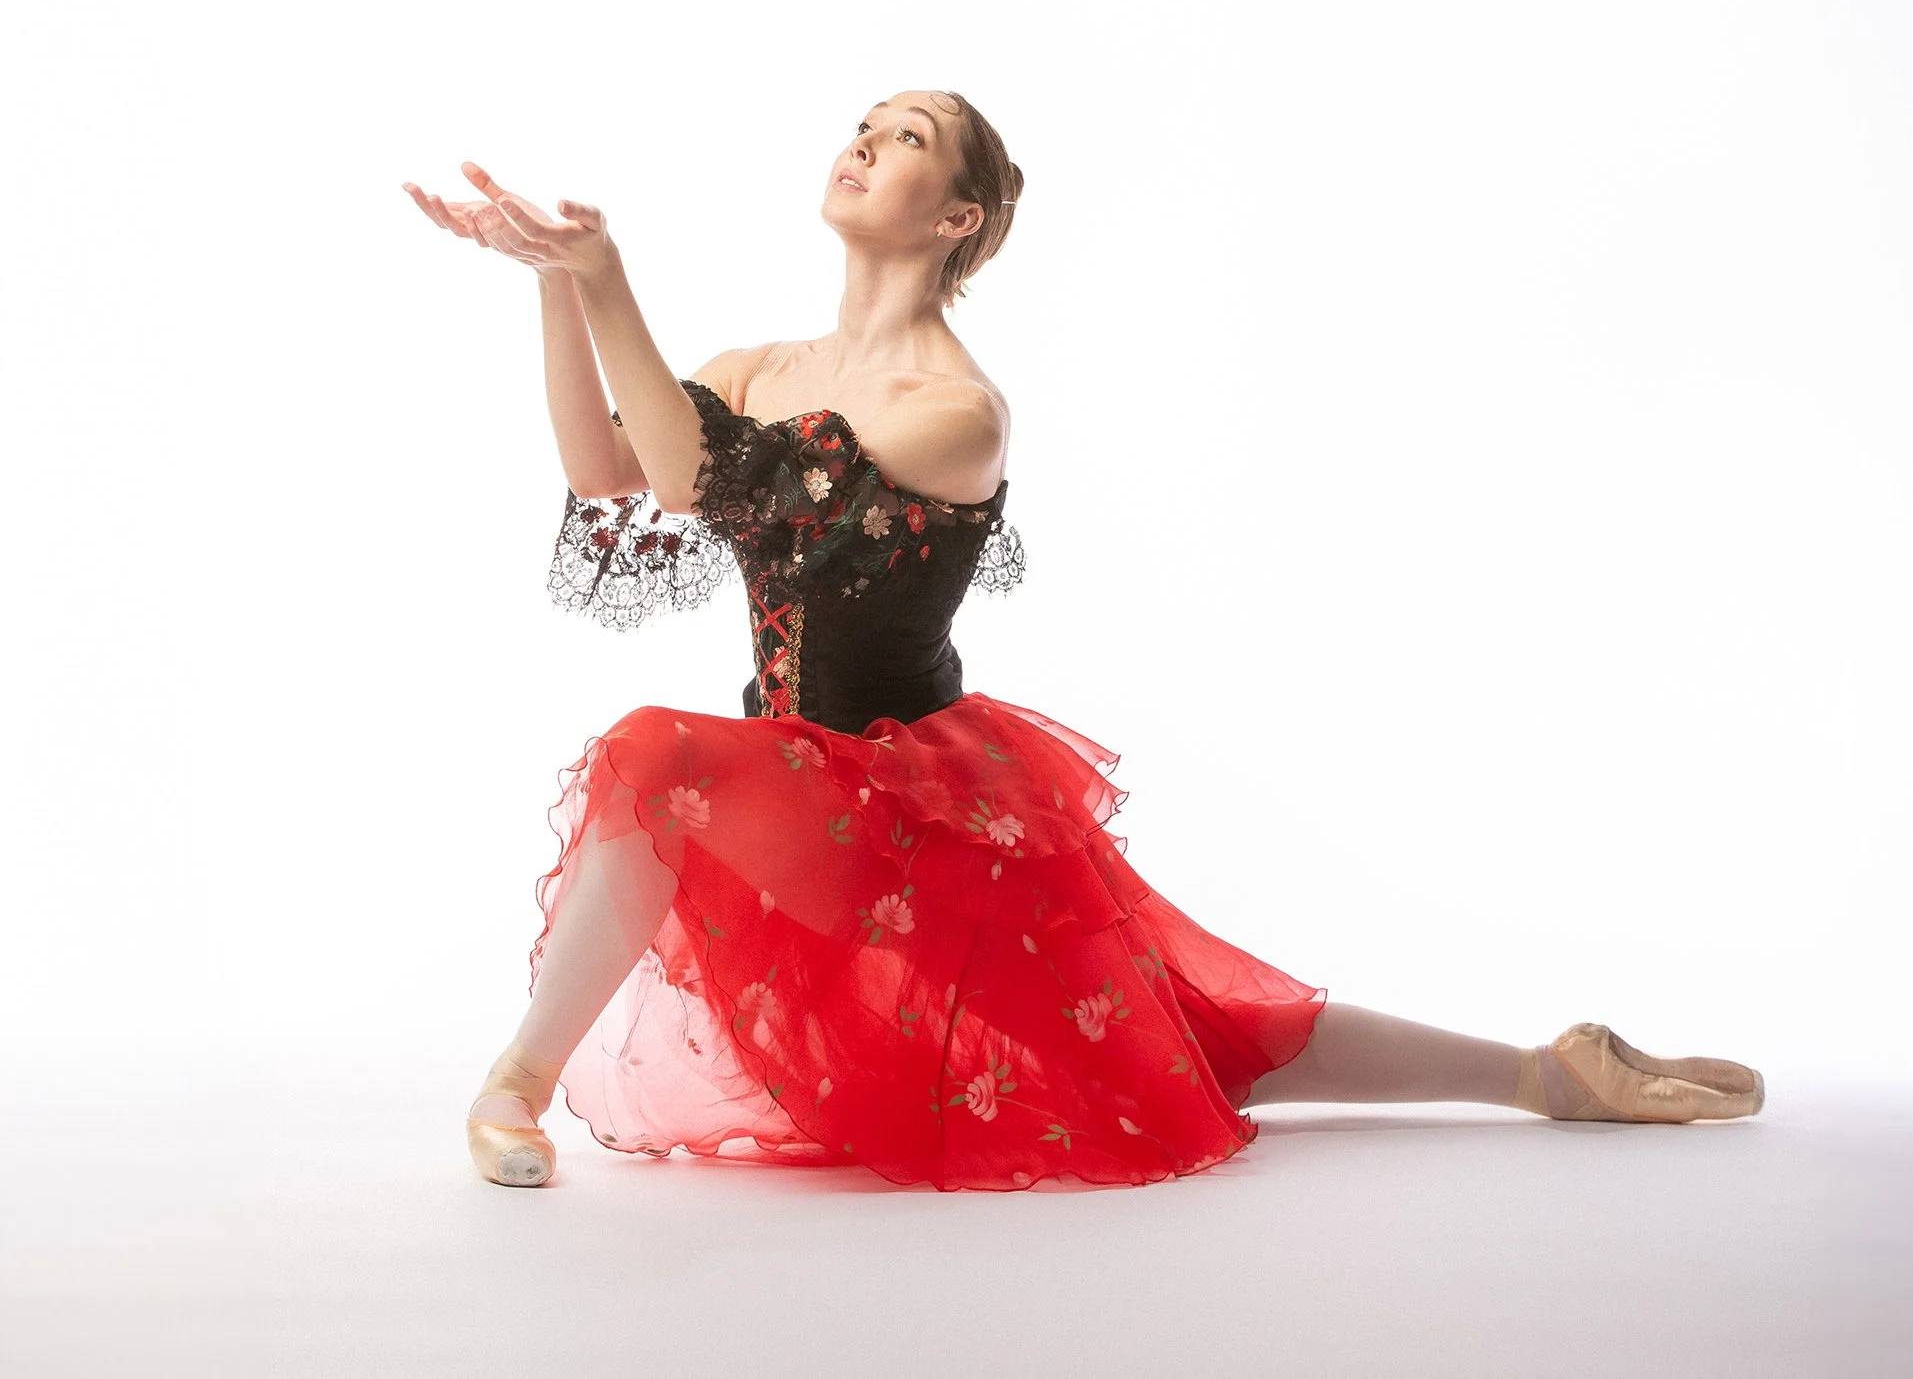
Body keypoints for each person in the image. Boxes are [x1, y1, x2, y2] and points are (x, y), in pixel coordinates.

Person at [401, 90, 1765, 1192]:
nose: (866, 141)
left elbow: (700, 477)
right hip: (809, 799)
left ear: (960, 216)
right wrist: (555, 284)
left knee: (1198, 1041)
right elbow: (609, 464)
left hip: (921, 816)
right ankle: (512, 1087)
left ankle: (1544, 1070)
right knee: (662, 766)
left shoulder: (958, 410)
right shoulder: (760, 369)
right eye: (863, 122)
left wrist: (607, 274)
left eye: (910, 138)